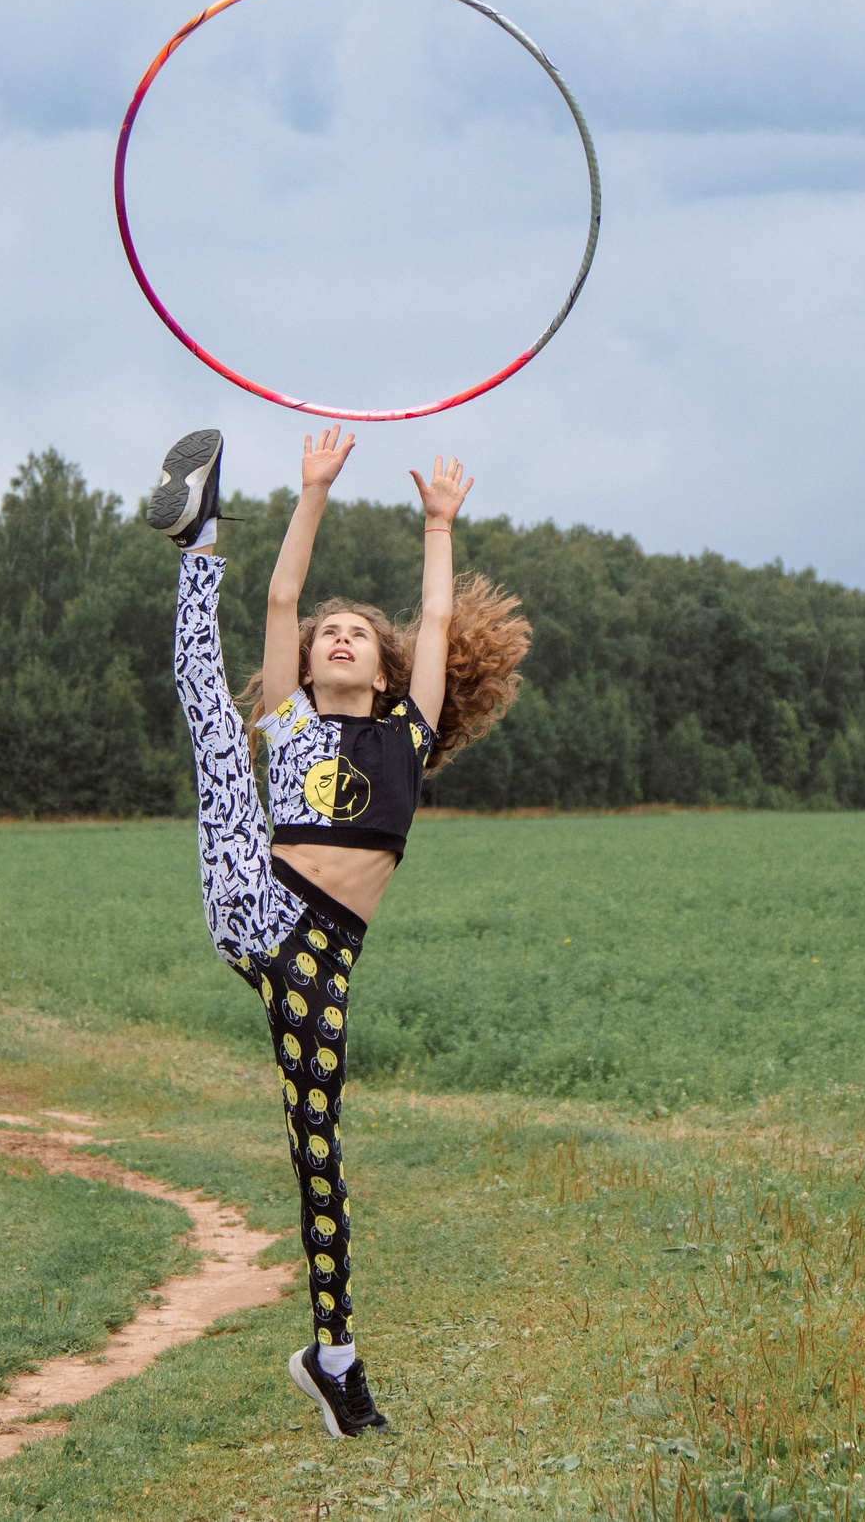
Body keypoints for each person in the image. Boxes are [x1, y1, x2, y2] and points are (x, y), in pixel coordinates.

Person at [144, 424, 530, 1439]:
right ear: (310, 668)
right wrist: (310, 493)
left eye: (357, 632)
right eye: (328, 636)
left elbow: (437, 617)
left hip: (323, 959)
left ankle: (334, 1356)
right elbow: (281, 601)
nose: (339, 636)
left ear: (385, 664)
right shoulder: (290, 720)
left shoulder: (407, 728)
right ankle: (200, 539)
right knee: (218, 733)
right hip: (256, 900)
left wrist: (437, 524)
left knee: (318, 1149)